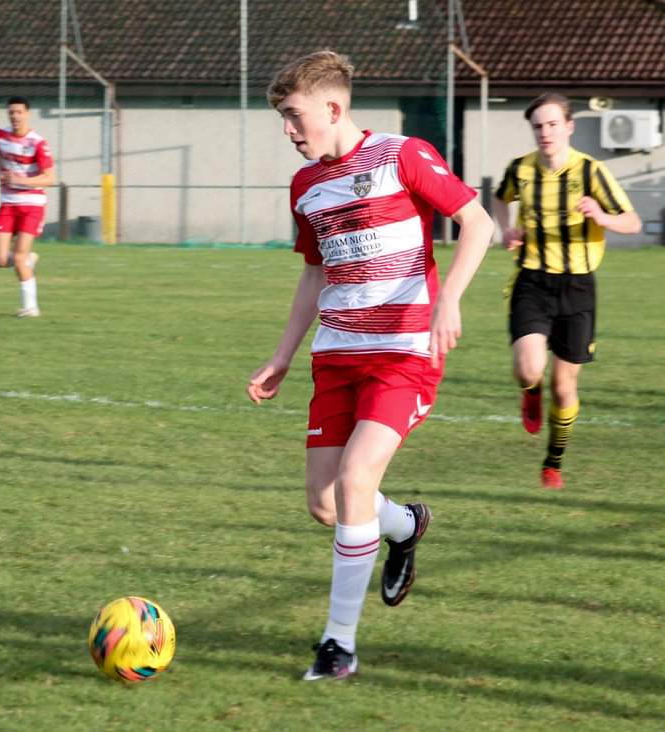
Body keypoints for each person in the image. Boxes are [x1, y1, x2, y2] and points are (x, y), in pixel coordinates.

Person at [247, 51, 493, 680]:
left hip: (403, 356)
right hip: (335, 358)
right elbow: (313, 273)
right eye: (281, 117)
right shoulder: (306, 187)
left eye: (294, 115)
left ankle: (338, 646)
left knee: (356, 480)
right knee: (327, 504)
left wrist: (449, 302)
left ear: (333, 108)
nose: (287, 130)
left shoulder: (402, 155)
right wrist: (281, 355)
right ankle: (405, 524)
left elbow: (477, 223)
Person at [495, 93, 641, 490]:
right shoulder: (520, 170)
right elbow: (498, 197)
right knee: (528, 367)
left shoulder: (592, 172)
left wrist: (602, 216)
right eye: (539, 126)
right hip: (532, 280)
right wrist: (505, 227)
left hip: (577, 288)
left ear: (569, 126)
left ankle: (553, 462)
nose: (545, 133)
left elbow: (633, 222)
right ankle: (530, 389)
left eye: (553, 124)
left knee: (564, 389)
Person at [0, 96, 55, 317]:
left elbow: (49, 178)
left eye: (19, 112)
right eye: (11, 112)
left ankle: (31, 307)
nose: (15, 116)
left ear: (27, 114)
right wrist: (1, 173)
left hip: (32, 205)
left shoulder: (38, 142)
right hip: (8, 203)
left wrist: (21, 181)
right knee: (0, 260)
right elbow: (0, 157)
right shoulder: (0, 135)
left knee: (18, 258)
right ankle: (28, 260)